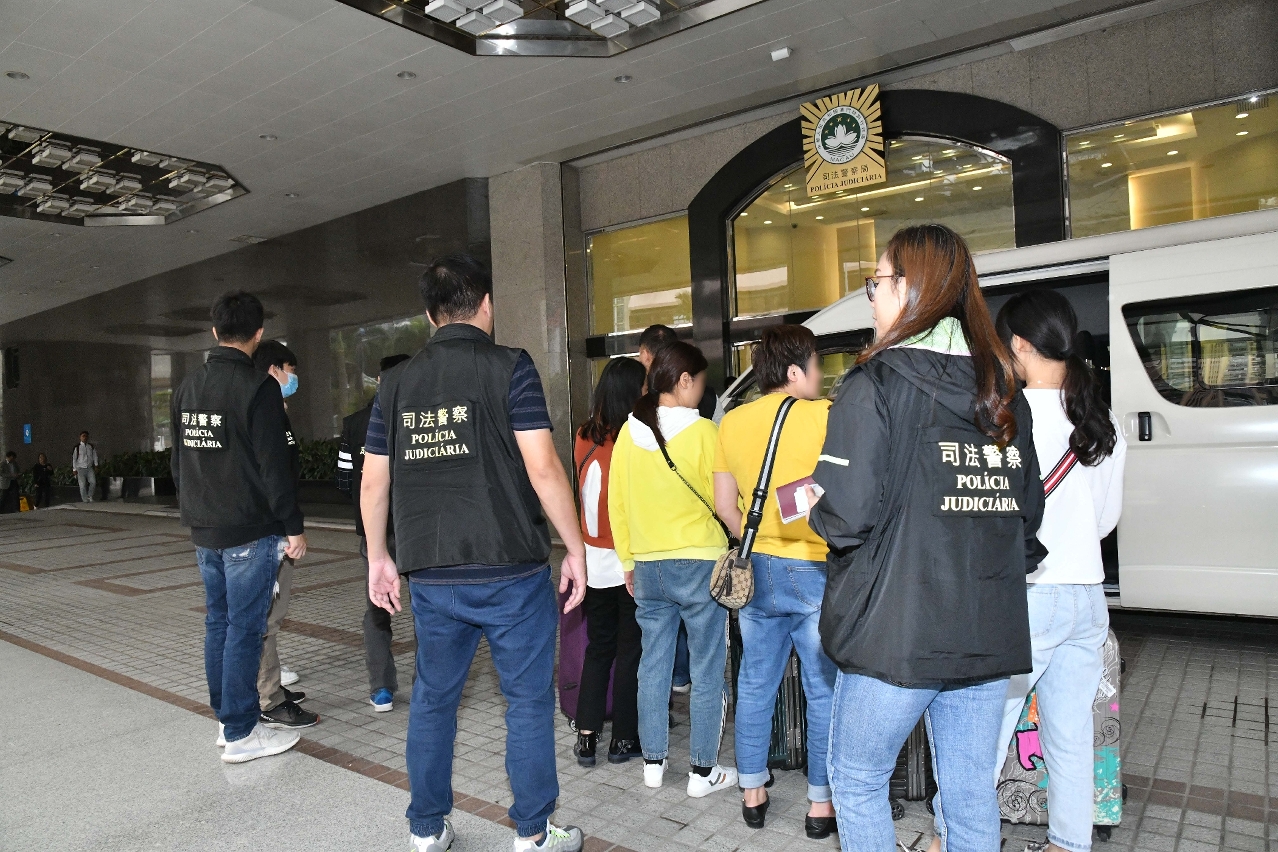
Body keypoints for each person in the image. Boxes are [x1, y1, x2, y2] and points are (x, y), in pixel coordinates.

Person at [807, 224, 1045, 850]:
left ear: (911, 288)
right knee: (968, 793)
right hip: (986, 629)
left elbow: (846, 515)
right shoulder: (1004, 393)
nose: (872, 299)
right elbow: (1026, 517)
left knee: (857, 779)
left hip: (898, 633)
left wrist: (817, 504)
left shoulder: (875, 384)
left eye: (877, 283)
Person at [361, 254, 588, 852]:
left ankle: (426, 829)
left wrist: (378, 557)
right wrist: (576, 548)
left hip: (431, 572)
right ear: (487, 304)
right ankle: (533, 834)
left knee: (434, 701)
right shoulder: (511, 367)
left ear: (428, 315)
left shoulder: (395, 384)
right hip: (511, 568)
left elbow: (374, 482)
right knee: (527, 703)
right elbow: (544, 468)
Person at [991, 290, 1127, 852]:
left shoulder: (1002, 419)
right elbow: (1105, 521)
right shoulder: (1101, 419)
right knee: (1070, 736)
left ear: (1021, 344)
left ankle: (952, 837)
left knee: (985, 734)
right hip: (1088, 597)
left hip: (1028, 595)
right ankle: (1068, 844)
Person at [170, 291, 308, 764]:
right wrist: (293, 527)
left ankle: (226, 721)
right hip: (249, 529)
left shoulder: (188, 386)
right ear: (258, 333)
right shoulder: (258, 387)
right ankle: (241, 731)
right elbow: (274, 468)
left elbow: (177, 462)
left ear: (214, 331)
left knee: (218, 623)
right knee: (245, 630)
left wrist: (194, 509)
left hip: (204, 527)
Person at [712, 324, 839, 838]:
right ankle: (820, 803)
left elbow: (725, 505)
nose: (820, 375)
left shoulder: (733, 421)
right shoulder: (826, 416)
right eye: (816, 365)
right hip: (814, 566)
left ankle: (752, 792)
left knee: (755, 681)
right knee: (822, 689)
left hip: (756, 570)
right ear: (794, 370)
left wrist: (758, 536)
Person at [609, 340, 737, 798]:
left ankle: (653, 763)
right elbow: (725, 500)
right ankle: (702, 772)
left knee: (653, 665)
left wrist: (628, 560)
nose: (702, 393)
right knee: (706, 668)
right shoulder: (704, 432)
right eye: (700, 383)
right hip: (700, 562)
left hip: (648, 565)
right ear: (684, 381)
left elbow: (617, 504)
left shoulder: (628, 434)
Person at [571, 356, 647, 768]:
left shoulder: (584, 435)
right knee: (630, 649)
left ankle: (586, 736)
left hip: (592, 555)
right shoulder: (635, 439)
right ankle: (623, 738)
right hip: (627, 555)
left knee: (598, 647)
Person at [250, 339, 319, 730]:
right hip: (271, 531)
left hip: (272, 528)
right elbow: (275, 475)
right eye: (290, 371)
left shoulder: (273, 410)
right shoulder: (265, 410)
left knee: (269, 618)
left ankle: (270, 688)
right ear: (274, 369)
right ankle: (268, 699)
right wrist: (292, 528)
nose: (294, 379)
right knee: (267, 619)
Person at [338, 352, 411, 713]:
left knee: (377, 608)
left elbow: (343, 480)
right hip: (416, 528)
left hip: (373, 531)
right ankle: (430, 685)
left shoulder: (354, 424)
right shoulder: (417, 419)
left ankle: (382, 688)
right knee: (427, 608)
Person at [636, 324, 694, 695]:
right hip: (692, 540)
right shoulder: (702, 415)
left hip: (648, 543)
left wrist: (627, 558)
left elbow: (619, 499)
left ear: (645, 355)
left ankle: (662, 703)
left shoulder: (633, 416)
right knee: (694, 626)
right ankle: (683, 678)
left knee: (653, 647)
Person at [72, 431, 98, 502]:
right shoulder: (77, 447)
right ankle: (85, 499)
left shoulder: (91, 447)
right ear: (80, 437)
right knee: (82, 485)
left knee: (93, 482)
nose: (85, 437)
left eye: (86, 436)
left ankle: (90, 496)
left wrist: (96, 465)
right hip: (80, 468)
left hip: (89, 467)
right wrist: (74, 469)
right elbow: (74, 459)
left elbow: (95, 456)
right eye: (83, 436)